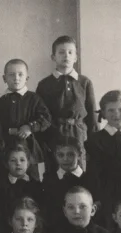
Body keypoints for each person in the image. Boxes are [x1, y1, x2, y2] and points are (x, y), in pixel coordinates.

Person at [36, 35, 97, 170]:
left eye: (70, 52)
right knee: (55, 171)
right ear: (53, 57)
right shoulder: (44, 84)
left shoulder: (84, 82)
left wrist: (93, 142)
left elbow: (92, 114)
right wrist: (43, 142)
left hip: (79, 134)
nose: (66, 56)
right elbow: (40, 115)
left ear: (76, 57)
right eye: (61, 52)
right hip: (54, 134)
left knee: (80, 170)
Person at [85, 90, 121, 229]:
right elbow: (93, 173)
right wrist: (97, 199)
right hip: (106, 198)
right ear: (103, 113)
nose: (116, 114)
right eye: (111, 110)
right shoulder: (94, 140)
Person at [0, 59, 51, 181]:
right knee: (7, 178)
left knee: (33, 178)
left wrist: (30, 127)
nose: (16, 78)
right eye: (11, 74)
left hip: (31, 147)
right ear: (4, 78)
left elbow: (46, 119)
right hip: (7, 147)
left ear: (27, 78)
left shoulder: (34, 99)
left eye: (20, 74)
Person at [42, 137, 99, 229]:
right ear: (55, 156)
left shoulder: (90, 179)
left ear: (79, 155)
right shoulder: (49, 179)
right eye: (60, 155)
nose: (65, 159)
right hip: (56, 229)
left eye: (70, 154)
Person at [0, 144, 44, 233]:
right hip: (6, 229)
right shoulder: (0, 185)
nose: (18, 163)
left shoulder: (36, 185)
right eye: (13, 160)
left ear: (28, 163)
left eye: (22, 160)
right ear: (7, 164)